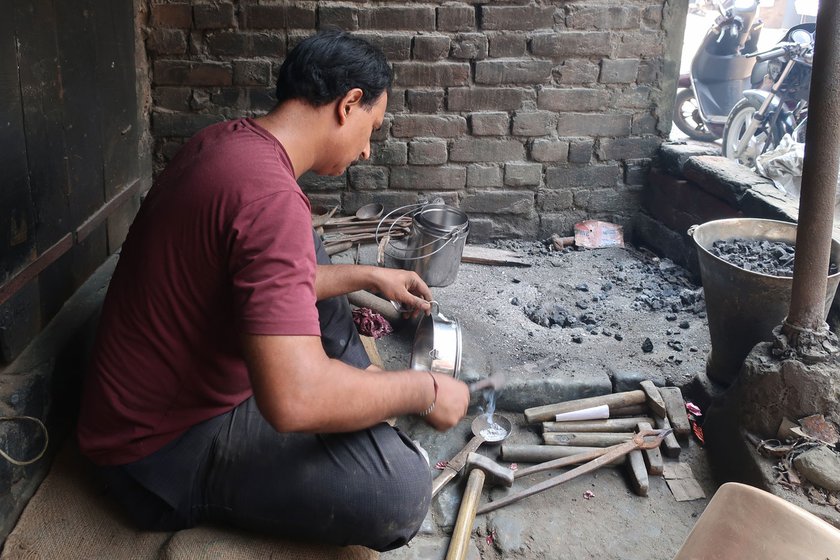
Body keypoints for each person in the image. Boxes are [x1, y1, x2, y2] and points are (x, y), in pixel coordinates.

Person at [77, 29, 470, 552]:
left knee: (309, 249)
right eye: (371, 128)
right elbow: (292, 401)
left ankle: (357, 387)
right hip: (155, 455)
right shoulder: (269, 199)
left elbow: (276, 278)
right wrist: (427, 391)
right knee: (398, 492)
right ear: (348, 105)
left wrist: (367, 277)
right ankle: (358, 399)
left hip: (142, 402)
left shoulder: (229, 144)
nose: (367, 149)